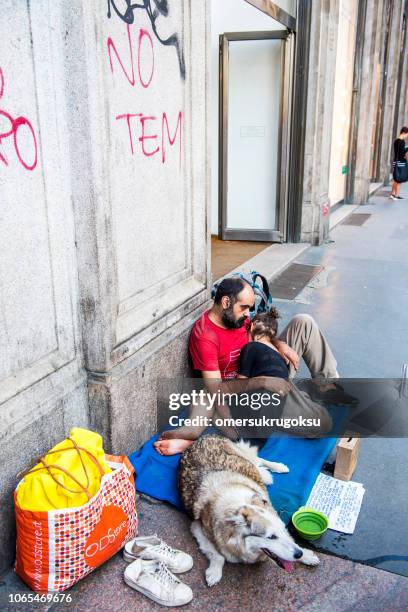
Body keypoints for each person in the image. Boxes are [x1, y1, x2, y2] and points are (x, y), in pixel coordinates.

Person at [153, 277, 351, 455]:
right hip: (250, 393)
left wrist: (280, 345)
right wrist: (262, 383)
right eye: (244, 307)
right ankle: (303, 398)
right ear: (225, 303)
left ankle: (327, 386)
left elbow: (260, 335)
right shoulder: (206, 336)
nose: (248, 314)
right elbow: (215, 390)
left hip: (265, 365)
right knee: (322, 423)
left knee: (303, 322)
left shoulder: (237, 319)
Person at [390, 126, 408, 200]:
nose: (407, 136)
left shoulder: (396, 141)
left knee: (396, 179)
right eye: (407, 134)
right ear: (404, 133)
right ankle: (396, 196)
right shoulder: (402, 141)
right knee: (399, 179)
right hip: (400, 162)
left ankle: (392, 194)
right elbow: (402, 152)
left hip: (396, 161)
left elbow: (398, 151)